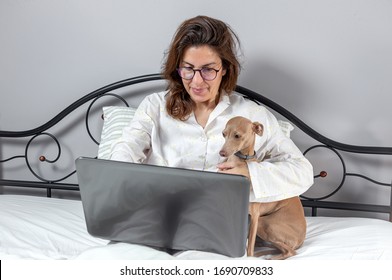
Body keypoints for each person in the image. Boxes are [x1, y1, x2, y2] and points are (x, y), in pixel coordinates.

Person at [110, 15, 313, 202]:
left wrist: (250, 172)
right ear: (178, 68)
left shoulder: (252, 116)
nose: (197, 81)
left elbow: (302, 172)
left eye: (208, 69)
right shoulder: (154, 107)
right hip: (162, 212)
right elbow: (124, 152)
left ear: (224, 68)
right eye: (188, 69)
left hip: (222, 218)